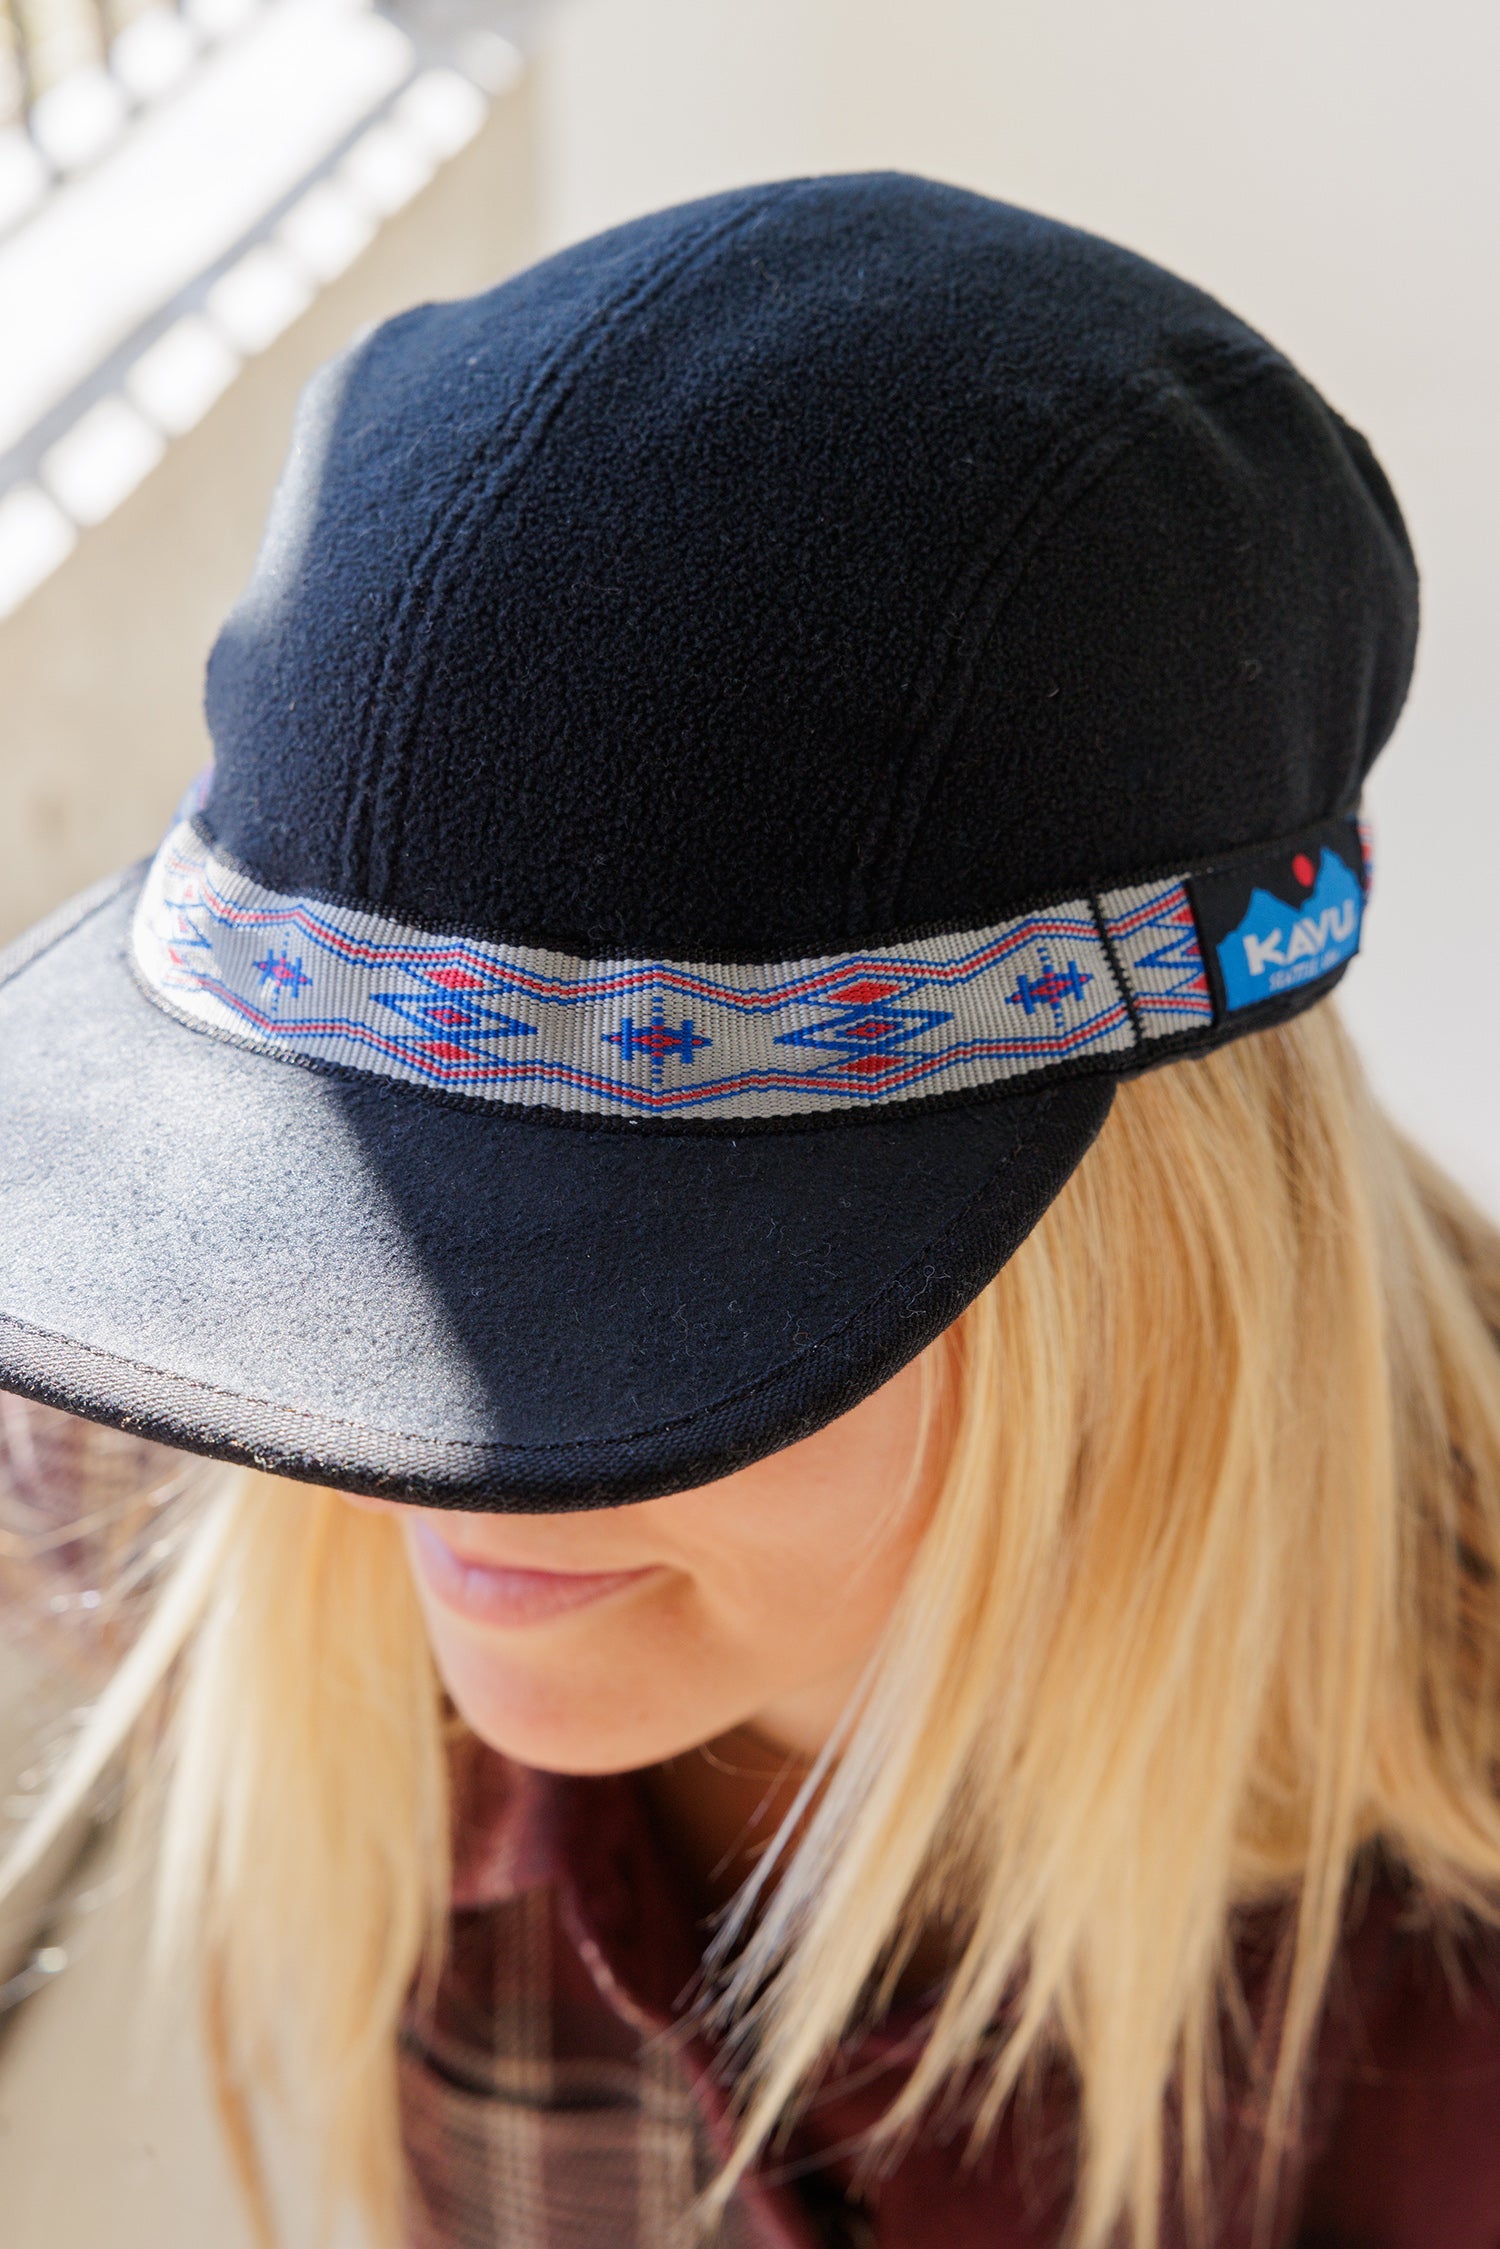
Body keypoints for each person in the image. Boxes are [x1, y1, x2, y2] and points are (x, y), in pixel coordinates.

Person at [0, 173, 1497, 2249]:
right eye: (330, 1222)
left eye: (628, 1293)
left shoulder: (1442, 1922)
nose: (415, 1439)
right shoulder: (189, 1479)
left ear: (1142, 1265)